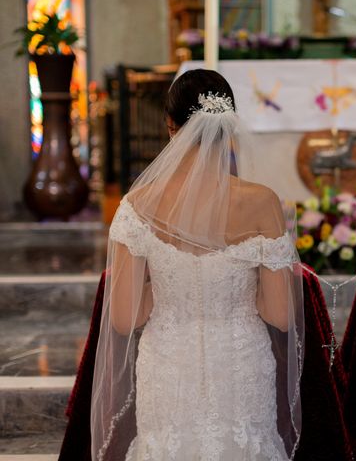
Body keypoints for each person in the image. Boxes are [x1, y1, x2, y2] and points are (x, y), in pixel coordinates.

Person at [90, 69, 304, 460]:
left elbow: (124, 319)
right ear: (229, 128)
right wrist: (240, 291)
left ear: (171, 127)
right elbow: (280, 314)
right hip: (241, 363)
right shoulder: (263, 202)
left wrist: (170, 289)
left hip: (169, 363)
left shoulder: (137, 207)